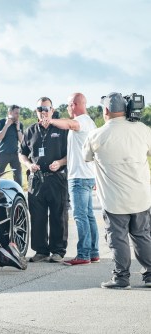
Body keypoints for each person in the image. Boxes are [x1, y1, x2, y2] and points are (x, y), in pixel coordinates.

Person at [83, 92, 151, 289]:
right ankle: (150, 275)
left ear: (106, 111)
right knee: (142, 235)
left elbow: (86, 157)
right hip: (141, 196)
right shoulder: (141, 129)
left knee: (117, 238)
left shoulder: (96, 135)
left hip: (114, 200)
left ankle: (121, 278)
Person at [45, 93, 99, 266]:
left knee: (80, 216)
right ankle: (94, 252)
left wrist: (51, 120)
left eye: (68, 105)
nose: (67, 108)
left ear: (74, 104)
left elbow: (70, 124)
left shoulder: (81, 121)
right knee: (89, 215)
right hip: (88, 175)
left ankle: (83, 255)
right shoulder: (91, 122)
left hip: (79, 178)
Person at [19, 97, 69, 263]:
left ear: (52, 110)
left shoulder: (62, 130)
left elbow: (73, 154)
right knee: (37, 216)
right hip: (36, 180)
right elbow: (22, 153)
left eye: (46, 109)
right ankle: (41, 251)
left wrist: (61, 162)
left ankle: (58, 251)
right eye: (40, 109)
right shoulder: (30, 131)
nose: (43, 112)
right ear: (36, 112)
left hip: (57, 178)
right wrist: (28, 164)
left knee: (58, 215)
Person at [0, 105, 24, 185]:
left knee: (18, 176)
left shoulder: (19, 124)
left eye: (19, 113)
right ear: (10, 112)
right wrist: (6, 125)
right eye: (16, 113)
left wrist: (18, 129)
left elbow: (22, 141)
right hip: (3, 154)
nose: (18, 115)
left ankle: (19, 193)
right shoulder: (1, 122)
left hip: (15, 154)